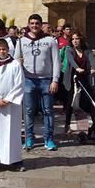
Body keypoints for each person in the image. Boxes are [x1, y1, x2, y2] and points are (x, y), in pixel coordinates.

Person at [16, 14, 60, 151]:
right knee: (28, 111)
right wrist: (18, 63)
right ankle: (29, 138)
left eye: (37, 23)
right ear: (28, 25)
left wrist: (55, 80)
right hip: (29, 79)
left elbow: (56, 61)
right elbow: (16, 59)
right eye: (32, 23)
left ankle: (49, 138)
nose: (34, 26)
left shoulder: (50, 40)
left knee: (48, 110)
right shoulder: (22, 41)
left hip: (46, 79)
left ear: (41, 25)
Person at [0, 38, 26, 171]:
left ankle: (15, 159)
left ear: (8, 49)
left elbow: (20, 84)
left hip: (11, 105)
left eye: (4, 49)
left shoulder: (15, 65)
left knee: (12, 132)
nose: (2, 52)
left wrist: (9, 98)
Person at [62, 30, 95, 135]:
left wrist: (93, 68)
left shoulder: (86, 50)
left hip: (84, 78)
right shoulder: (70, 50)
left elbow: (92, 59)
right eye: (73, 39)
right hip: (72, 79)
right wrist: (77, 68)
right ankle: (67, 124)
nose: (75, 41)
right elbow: (71, 61)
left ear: (81, 39)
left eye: (77, 39)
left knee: (90, 101)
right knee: (70, 103)